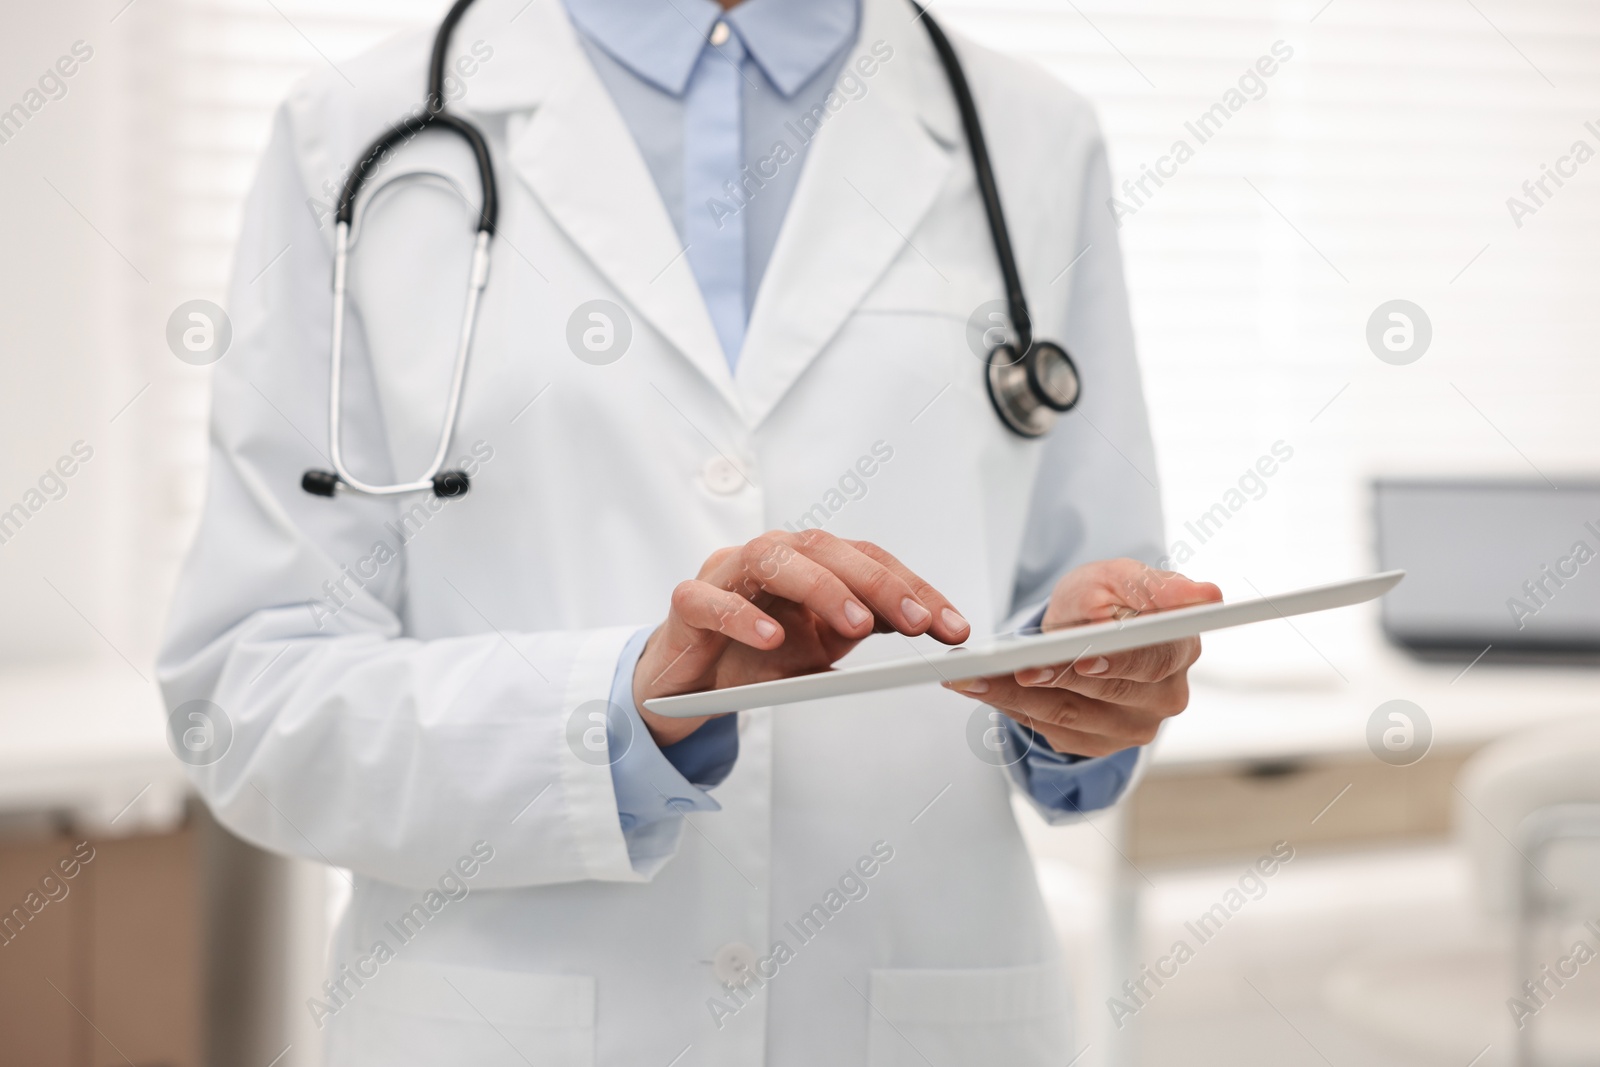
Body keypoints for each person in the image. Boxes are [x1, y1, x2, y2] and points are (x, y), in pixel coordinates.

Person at [157, 0, 1220, 1062]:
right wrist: (621, 707)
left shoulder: (1031, 135)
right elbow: (250, 693)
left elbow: (1091, 601)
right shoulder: (349, 132)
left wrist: (1083, 680)